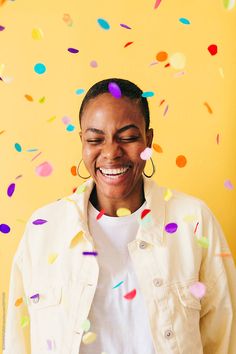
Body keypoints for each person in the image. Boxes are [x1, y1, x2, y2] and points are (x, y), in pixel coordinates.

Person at [4, 78, 236, 354]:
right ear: (82, 142)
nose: (112, 153)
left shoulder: (194, 222)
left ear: (148, 140)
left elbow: (224, 339)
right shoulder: (43, 230)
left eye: (127, 137)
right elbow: (19, 343)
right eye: (95, 139)